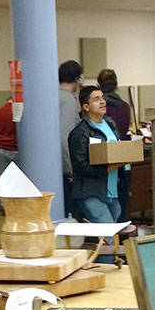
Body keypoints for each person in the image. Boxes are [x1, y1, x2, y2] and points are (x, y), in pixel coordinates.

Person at [67, 85, 126, 223]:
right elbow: (80, 166)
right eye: (96, 99)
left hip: (113, 190)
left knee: (110, 237)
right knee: (109, 237)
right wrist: (106, 168)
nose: (102, 102)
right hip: (91, 193)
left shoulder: (110, 124)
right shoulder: (80, 133)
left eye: (103, 98)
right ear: (86, 107)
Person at [96, 68, 133, 222]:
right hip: (124, 160)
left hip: (104, 161)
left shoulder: (99, 108)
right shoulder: (125, 106)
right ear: (116, 84)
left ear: (99, 85)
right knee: (122, 205)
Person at [58, 59, 83, 214]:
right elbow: (65, 135)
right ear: (77, 79)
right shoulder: (68, 100)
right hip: (62, 168)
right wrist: (70, 168)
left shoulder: (49, 95)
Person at [0, 97, 19, 177]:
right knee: (18, 178)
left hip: (0, 150)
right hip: (15, 149)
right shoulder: (18, 113)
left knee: (2, 178)